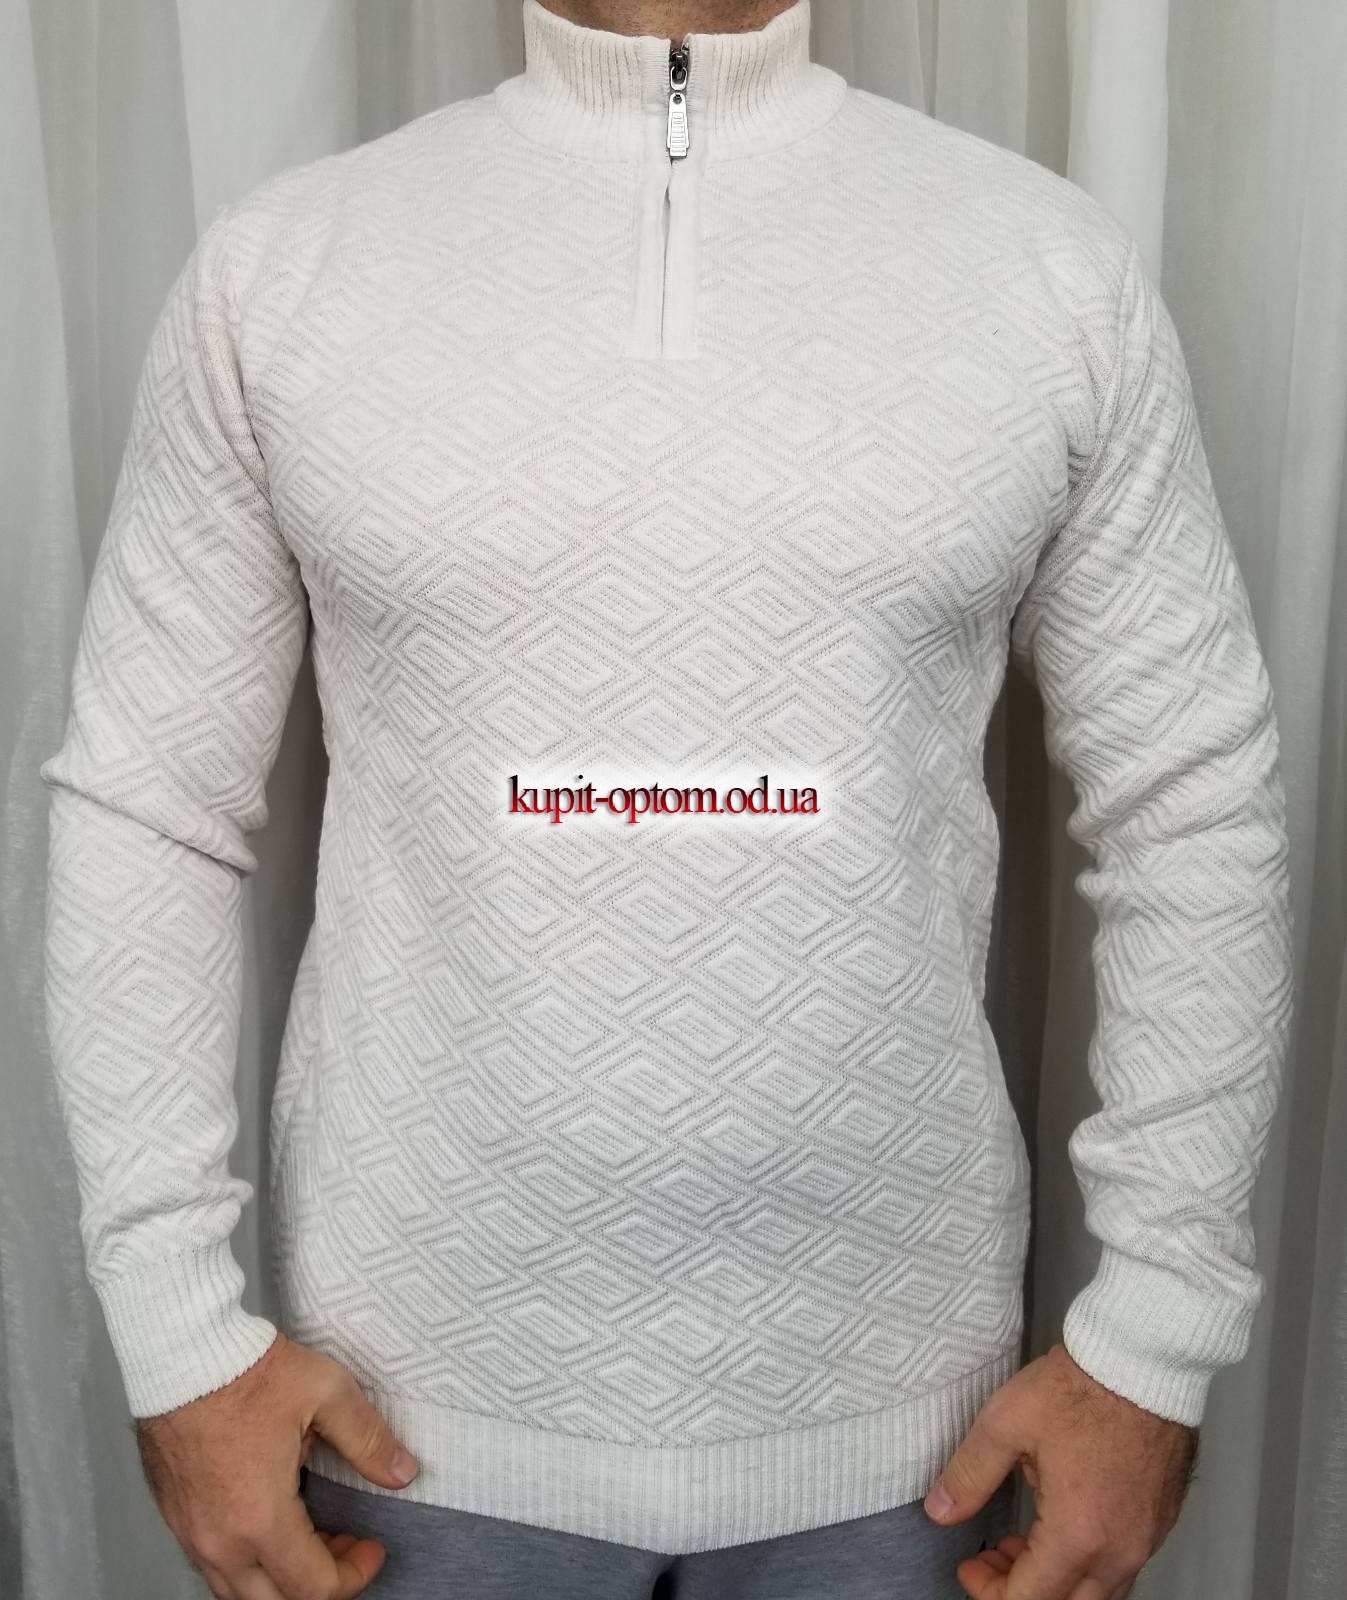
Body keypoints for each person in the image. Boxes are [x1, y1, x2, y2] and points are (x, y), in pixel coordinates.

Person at [38, 0, 1296, 1596]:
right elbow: (147, 804)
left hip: (912, 1448)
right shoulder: (287, 269)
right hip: (405, 1439)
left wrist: (1156, 1338)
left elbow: (1192, 801)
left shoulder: (1043, 268)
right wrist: (176, 1338)